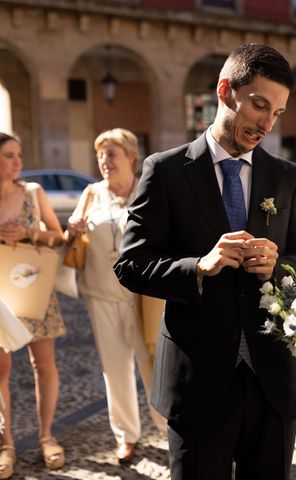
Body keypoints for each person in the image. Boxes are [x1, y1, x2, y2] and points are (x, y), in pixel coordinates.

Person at [113, 44, 296, 480]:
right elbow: (130, 264)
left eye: (278, 113)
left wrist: (279, 264)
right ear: (226, 91)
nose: (266, 123)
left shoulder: (287, 177)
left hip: (274, 384)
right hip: (197, 382)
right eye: (260, 105)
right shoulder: (165, 171)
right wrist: (199, 267)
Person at [65, 128, 164, 463]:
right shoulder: (91, 193)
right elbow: (73, 236)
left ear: (131, 157)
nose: (104, 161)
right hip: (101, 295)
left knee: (154, 364)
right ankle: (126, 436)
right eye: (100, 154)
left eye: (111, 154)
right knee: (115, 370)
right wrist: (72, 230)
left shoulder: (148, 188)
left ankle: (168, 429)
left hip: (143, 297)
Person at [0, 133, 66, 478]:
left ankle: (46, 436)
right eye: (9, 155)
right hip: (0, 297)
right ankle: (5, 443)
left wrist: (28, 234)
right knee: (1, 370)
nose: (17, 162)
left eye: (18, 155)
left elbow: (59, 237)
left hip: (33, 288)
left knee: (44, 366)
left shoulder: (33, 194)